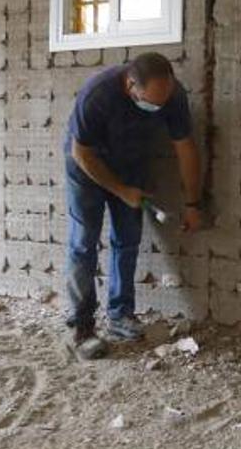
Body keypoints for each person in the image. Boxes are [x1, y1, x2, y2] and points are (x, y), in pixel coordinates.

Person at [61, 52, 203, 359]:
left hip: (131, 165)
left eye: (163, 101)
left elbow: (186, 149)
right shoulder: (98, 94)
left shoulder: (171, 95)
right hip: (87, 166)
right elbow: (80, 152)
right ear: (130, 85)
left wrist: (193, 202)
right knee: (84, 243)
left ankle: (120, 315)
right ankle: (82, 327)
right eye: (152, 102)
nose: (159, 107)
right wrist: (121, 190)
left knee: (127, 240)